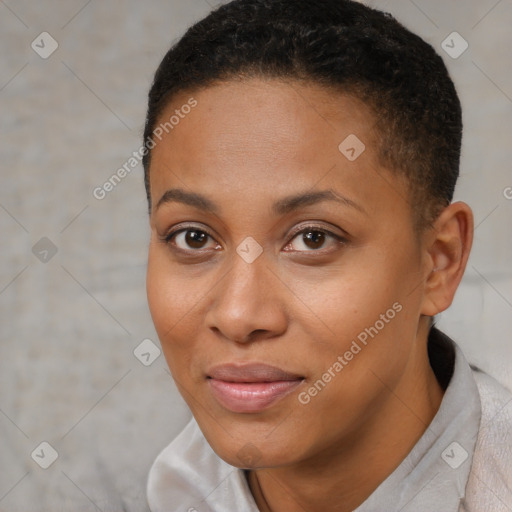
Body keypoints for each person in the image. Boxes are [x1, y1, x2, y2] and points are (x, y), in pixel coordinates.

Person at [141, 0, 512, 510]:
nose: (238, 315)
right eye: (194, 238)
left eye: (313, 238)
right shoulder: (175, 491)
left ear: (438, 261)